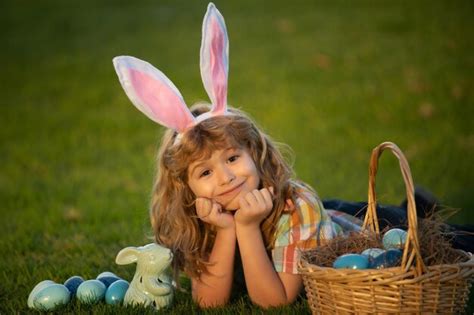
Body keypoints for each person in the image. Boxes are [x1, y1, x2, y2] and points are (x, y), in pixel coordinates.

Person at [112, 2, 473, 309]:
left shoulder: (294, 207)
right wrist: (227, 230)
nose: (225, 178)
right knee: (353, 211)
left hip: (340, 225)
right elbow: (208, 302)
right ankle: (421, 206)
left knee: (439, 240)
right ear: (187, 187)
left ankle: (419, 210)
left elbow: (275, 300)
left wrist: (248, 226)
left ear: (253, 152)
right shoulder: (205, 214)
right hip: (323, 216)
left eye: (232, 159)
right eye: (205, 173)